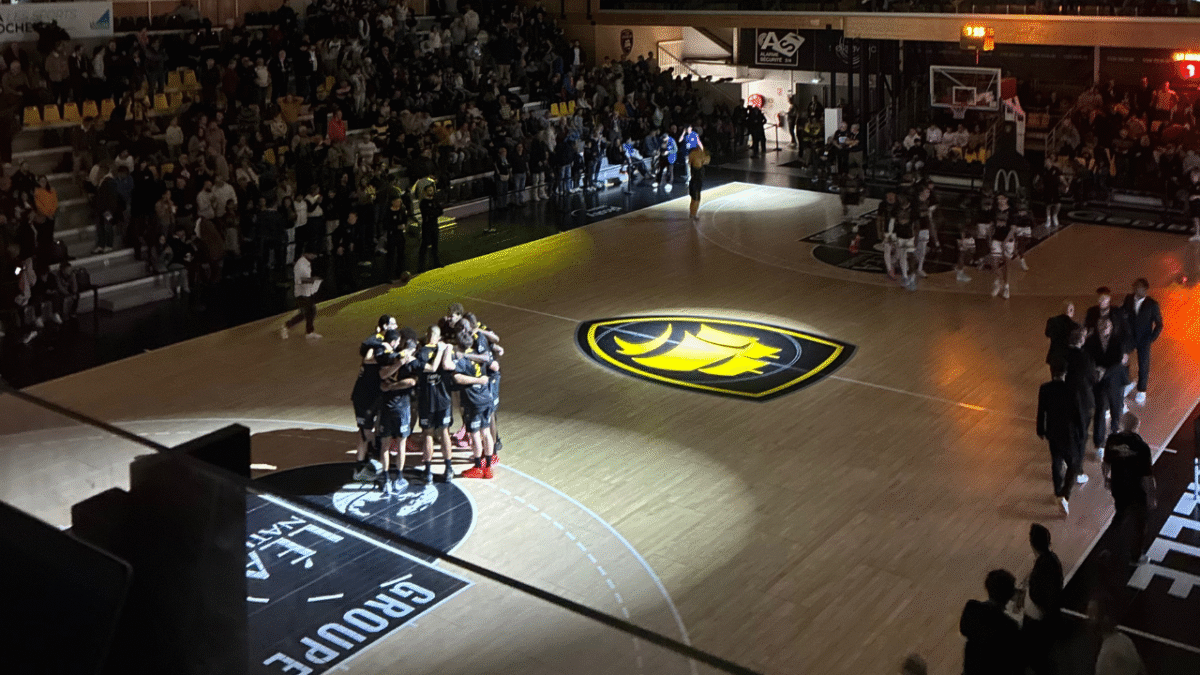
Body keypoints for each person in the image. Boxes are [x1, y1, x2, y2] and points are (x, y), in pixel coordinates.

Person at [1102, 413, 1156, 565]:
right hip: (1136, 490)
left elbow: (1105, 463)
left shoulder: (1112, 440)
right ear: (1137, 427)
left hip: (1118, 487)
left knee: (1119, 516)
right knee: (1140, 524)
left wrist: (1106, 478)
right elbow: (1147, 476)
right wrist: (1151, 495)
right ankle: (1136, 556)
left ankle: (1108, 548)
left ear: (1121, 424)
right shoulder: (1142, 447)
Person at [351, 317, 399, 482]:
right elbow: (368, 358)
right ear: (385, 326)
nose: (396, 326)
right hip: (364, 396)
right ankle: (359, 468)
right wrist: (384, 348)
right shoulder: (376, 341)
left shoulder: (381, 342)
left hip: (373, 394)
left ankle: (370, 457)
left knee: (370, 430)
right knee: (365, 432)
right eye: (393, 324)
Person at [1037, 366, 1086, 514]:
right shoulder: (1071, 390)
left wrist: (1040, 429)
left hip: (1052, 432)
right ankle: (1065, 494)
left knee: (1056, 462)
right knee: (1074, 464)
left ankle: (1057, 492)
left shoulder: (1045, 389)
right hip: (1068, 434)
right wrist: (1082, 433)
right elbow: (1078, 414)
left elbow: (1041, 411)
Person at [377, 329, 419, 495]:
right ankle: (395, 478)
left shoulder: (390, 357)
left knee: (386, 445)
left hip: (388, 406)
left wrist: (391, 386)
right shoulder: (407, 362)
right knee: (398, 445)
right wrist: (401, 363)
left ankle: (387, 478)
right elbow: (410, 382)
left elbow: (383, 378)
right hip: (400, 408)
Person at [959, 569, 1022, 675]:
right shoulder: (1010, 626)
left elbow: (964, 630)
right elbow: (1015, 661)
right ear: (1010, 595)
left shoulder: (971, 609)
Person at [415, 324, 455, 483]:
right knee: (445, 432)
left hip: (427, 400)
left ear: (427, 335)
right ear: (438, 338)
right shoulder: (446, 350)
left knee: (428, 434)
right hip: (444, 399)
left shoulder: (421, 353)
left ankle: (428, 471)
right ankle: (449, 468)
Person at [452, 330, 495, 479]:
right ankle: (488, 467)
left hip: (473, 401)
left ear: (458, 344)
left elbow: (457, 378)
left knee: (475, 434)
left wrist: (476, 380)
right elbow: (491, 363)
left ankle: (478, 467)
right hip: (486, 398)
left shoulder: (461, 360)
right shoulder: (478, 355)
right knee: (486, 432)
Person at [1022, 524, 1063, 675]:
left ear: (1032, 544)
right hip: (1047, 620)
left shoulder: (1042, 567)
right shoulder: (1053, 560)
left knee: (1037, 658)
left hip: (1038, 623)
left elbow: (1039, 596)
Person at [1086, 318, 1130, 453]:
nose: (1105, 327)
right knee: (1099, 411)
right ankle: (1099, 444)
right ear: (1098, 326)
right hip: (1099, 383)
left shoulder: (1118, 341)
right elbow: (1088, 359)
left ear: (1111, 327)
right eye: (1102, 324)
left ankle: (1114, 438)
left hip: (1115, 382)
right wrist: (1095, 371)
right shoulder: (1091, 341)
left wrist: (1104, 371)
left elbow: (1119, 362)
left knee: (1116, 411)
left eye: (1108, 325)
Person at [1120, 279, 1163, 405]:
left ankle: (1142, 389)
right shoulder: (1128, 299)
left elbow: (1159, 324)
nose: (1140, 290)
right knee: (1123, 359)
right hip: (1130, 338)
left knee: (1143, 364)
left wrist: (1151, 338)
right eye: (1137, 288)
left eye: (1142, 289)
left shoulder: (1152, 304)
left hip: (1144, 339)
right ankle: (1126, 383)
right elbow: (1122, 312)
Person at [280, 247, 320, 340]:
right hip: (301, 293)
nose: (314, 256)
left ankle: (309, 331)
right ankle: (286, 326)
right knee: (306, 312)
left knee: (311, 311)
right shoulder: (301, 264)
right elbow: (301, 280)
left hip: (306, 291)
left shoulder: (306, 262)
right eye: (313, 254)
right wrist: (313, 281)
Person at [1045, 301, 1079, 369]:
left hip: (1055, 357)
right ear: (1072, 312)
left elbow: (1047, 334)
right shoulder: (1075, 326)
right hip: (1068, 358)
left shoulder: (1052, 321)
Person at [688, 148, 709, 222]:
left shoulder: (696, 161)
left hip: (696, 181)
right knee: (696, 199)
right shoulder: (697, 164)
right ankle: (693, 214)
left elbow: (706, 161)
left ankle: (692, 214)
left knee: (694, 199)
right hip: (695, 182)